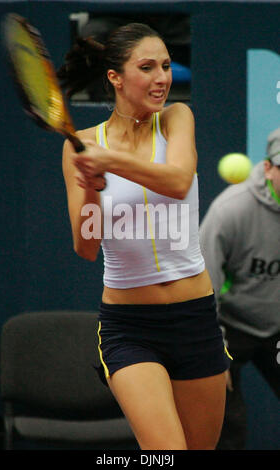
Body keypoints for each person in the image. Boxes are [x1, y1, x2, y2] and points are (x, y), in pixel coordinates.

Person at [58, 23, 230, 450]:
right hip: (129, 328)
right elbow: (85, 246)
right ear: (115, 77)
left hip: (196, 320)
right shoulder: (80, 145)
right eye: (147, 67)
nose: (162, 78)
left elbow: (176, 180)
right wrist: (94, 189)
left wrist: (108, 163)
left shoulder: (176, 118)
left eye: (167, 66)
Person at [199, 128, 280, 450]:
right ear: (268, 168)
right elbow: (204, 286)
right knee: (226, 425)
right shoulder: (230, 210)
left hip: (276, 327)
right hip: (227, 327)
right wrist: (213, 350)